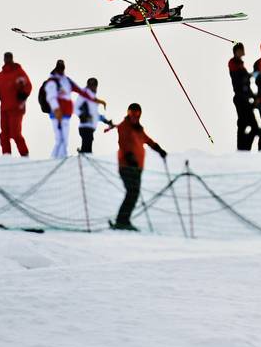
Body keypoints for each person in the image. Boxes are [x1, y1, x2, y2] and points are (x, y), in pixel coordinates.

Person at [111, 103, 167, 231]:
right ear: (128, 113)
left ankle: (123, 220)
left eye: (137, 114)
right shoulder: (124, 126)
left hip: (137, 168)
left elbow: (148, 140)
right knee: (132, 192)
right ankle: (122, 221)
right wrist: (130, 158)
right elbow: (123, 143)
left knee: (133, 193)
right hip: (127, 166)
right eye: (133, 114)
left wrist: (159, 149)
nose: (135, 117)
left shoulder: (138, 129)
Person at [41, 61, 100, 159]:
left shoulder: (66, 81)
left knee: (64, 139)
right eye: (59, 68)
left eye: (62, 68)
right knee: (59, 139)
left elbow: (80, 91)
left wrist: (95, 100)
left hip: (66, 113)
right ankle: (56, 159)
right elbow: (51, 97)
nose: (61, 70)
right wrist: (56, 109)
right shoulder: (52, 81)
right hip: (57, 113)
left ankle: (60, 157)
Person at [0, 52, 32, 157]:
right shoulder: (0, 76)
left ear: (12, 58)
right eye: (6, 57)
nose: (7, 59)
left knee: (15, 133)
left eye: (9, 57)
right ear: (4, 59)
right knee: (4, 134)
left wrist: (24, 94)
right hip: (4, 108)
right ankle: (6, 156)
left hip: (16, 108)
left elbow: (28, 85)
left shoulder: (19, 72)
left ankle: (24, 155)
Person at [228, 42, 260, 151]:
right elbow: (240, 80)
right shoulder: (234, 63)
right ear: (236, 51)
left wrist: (253, 97)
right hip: (240, 98)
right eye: (240, 50)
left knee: (253, 127)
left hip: (245, 98)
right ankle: (242, 149)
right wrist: (248, 76)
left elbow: (245, 83)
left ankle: (244, 149)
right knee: (243, 124)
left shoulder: (240, 65)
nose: (242, 52)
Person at [75, 78, 115, 153]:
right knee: (87, 146)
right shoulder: (84, 96)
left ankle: (84, 154)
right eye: (91, 86)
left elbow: (95, 115)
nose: (93, 87)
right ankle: (84, 156)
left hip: (90, 127)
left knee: (88, 144)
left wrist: (106, 121)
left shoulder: (92, 99)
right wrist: (82, 116)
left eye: (94, 86)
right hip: (85, 126)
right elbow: (76, 108)